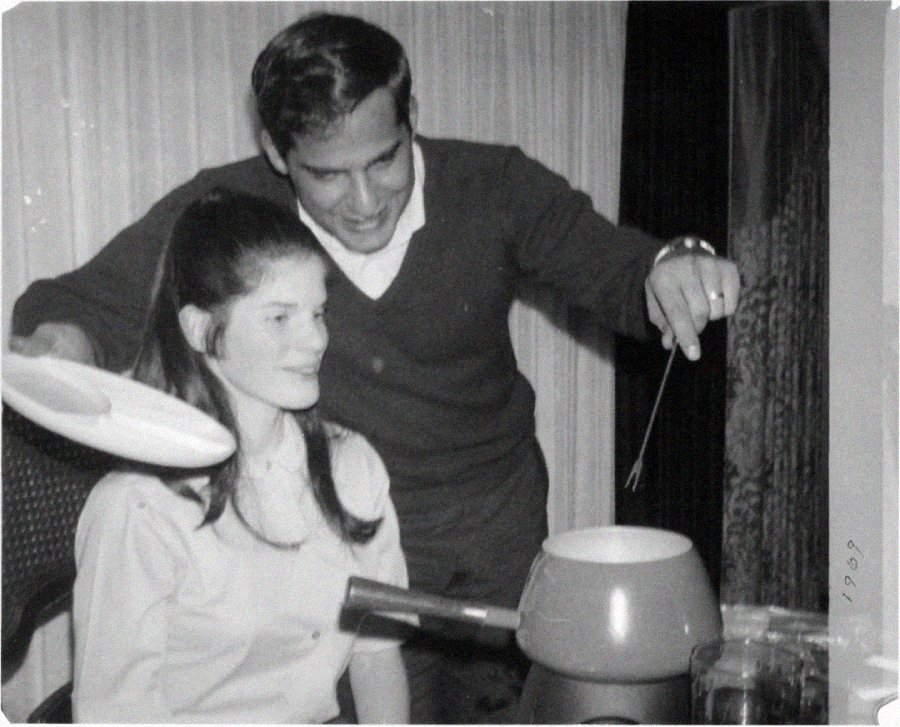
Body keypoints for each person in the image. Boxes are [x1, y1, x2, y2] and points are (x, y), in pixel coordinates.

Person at [11, 12, 741, 723]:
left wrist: (666, 266)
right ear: (274, 151)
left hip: (497, 530)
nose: (363, 202)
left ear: (411, 117)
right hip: (352, 531)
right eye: (327, 175)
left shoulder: (495, 184)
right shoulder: (232, 208)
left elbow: (615, 265)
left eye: (384, 159)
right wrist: (62, 343)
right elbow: (81, 303)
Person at [71, 188, 410, 723]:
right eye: (280, 318)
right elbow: (113, 713)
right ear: (202, 330)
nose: (316, 340)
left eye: (318, 313)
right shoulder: (137, 507)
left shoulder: (353, 468)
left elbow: (375, 656)